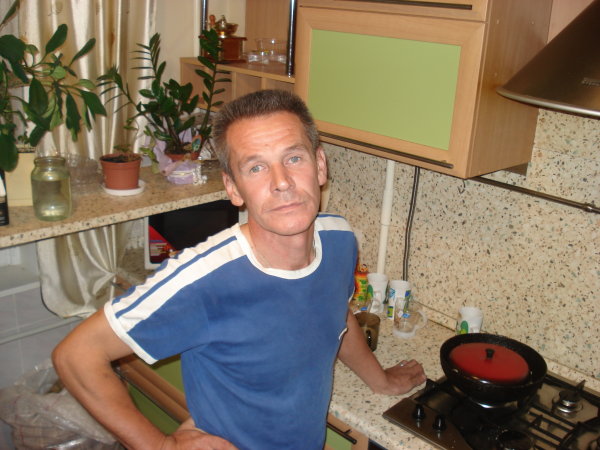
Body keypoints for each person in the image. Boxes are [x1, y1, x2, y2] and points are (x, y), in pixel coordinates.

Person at [52, 89, 426, 450]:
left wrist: (379, 380)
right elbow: (76, 355)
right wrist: (159, 445)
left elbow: (335, 311)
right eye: (256, 167)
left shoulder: (339, 240)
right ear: (233, 188)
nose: (282, 182)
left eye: (294, 158)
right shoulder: (205, 279)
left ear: (320, 166)